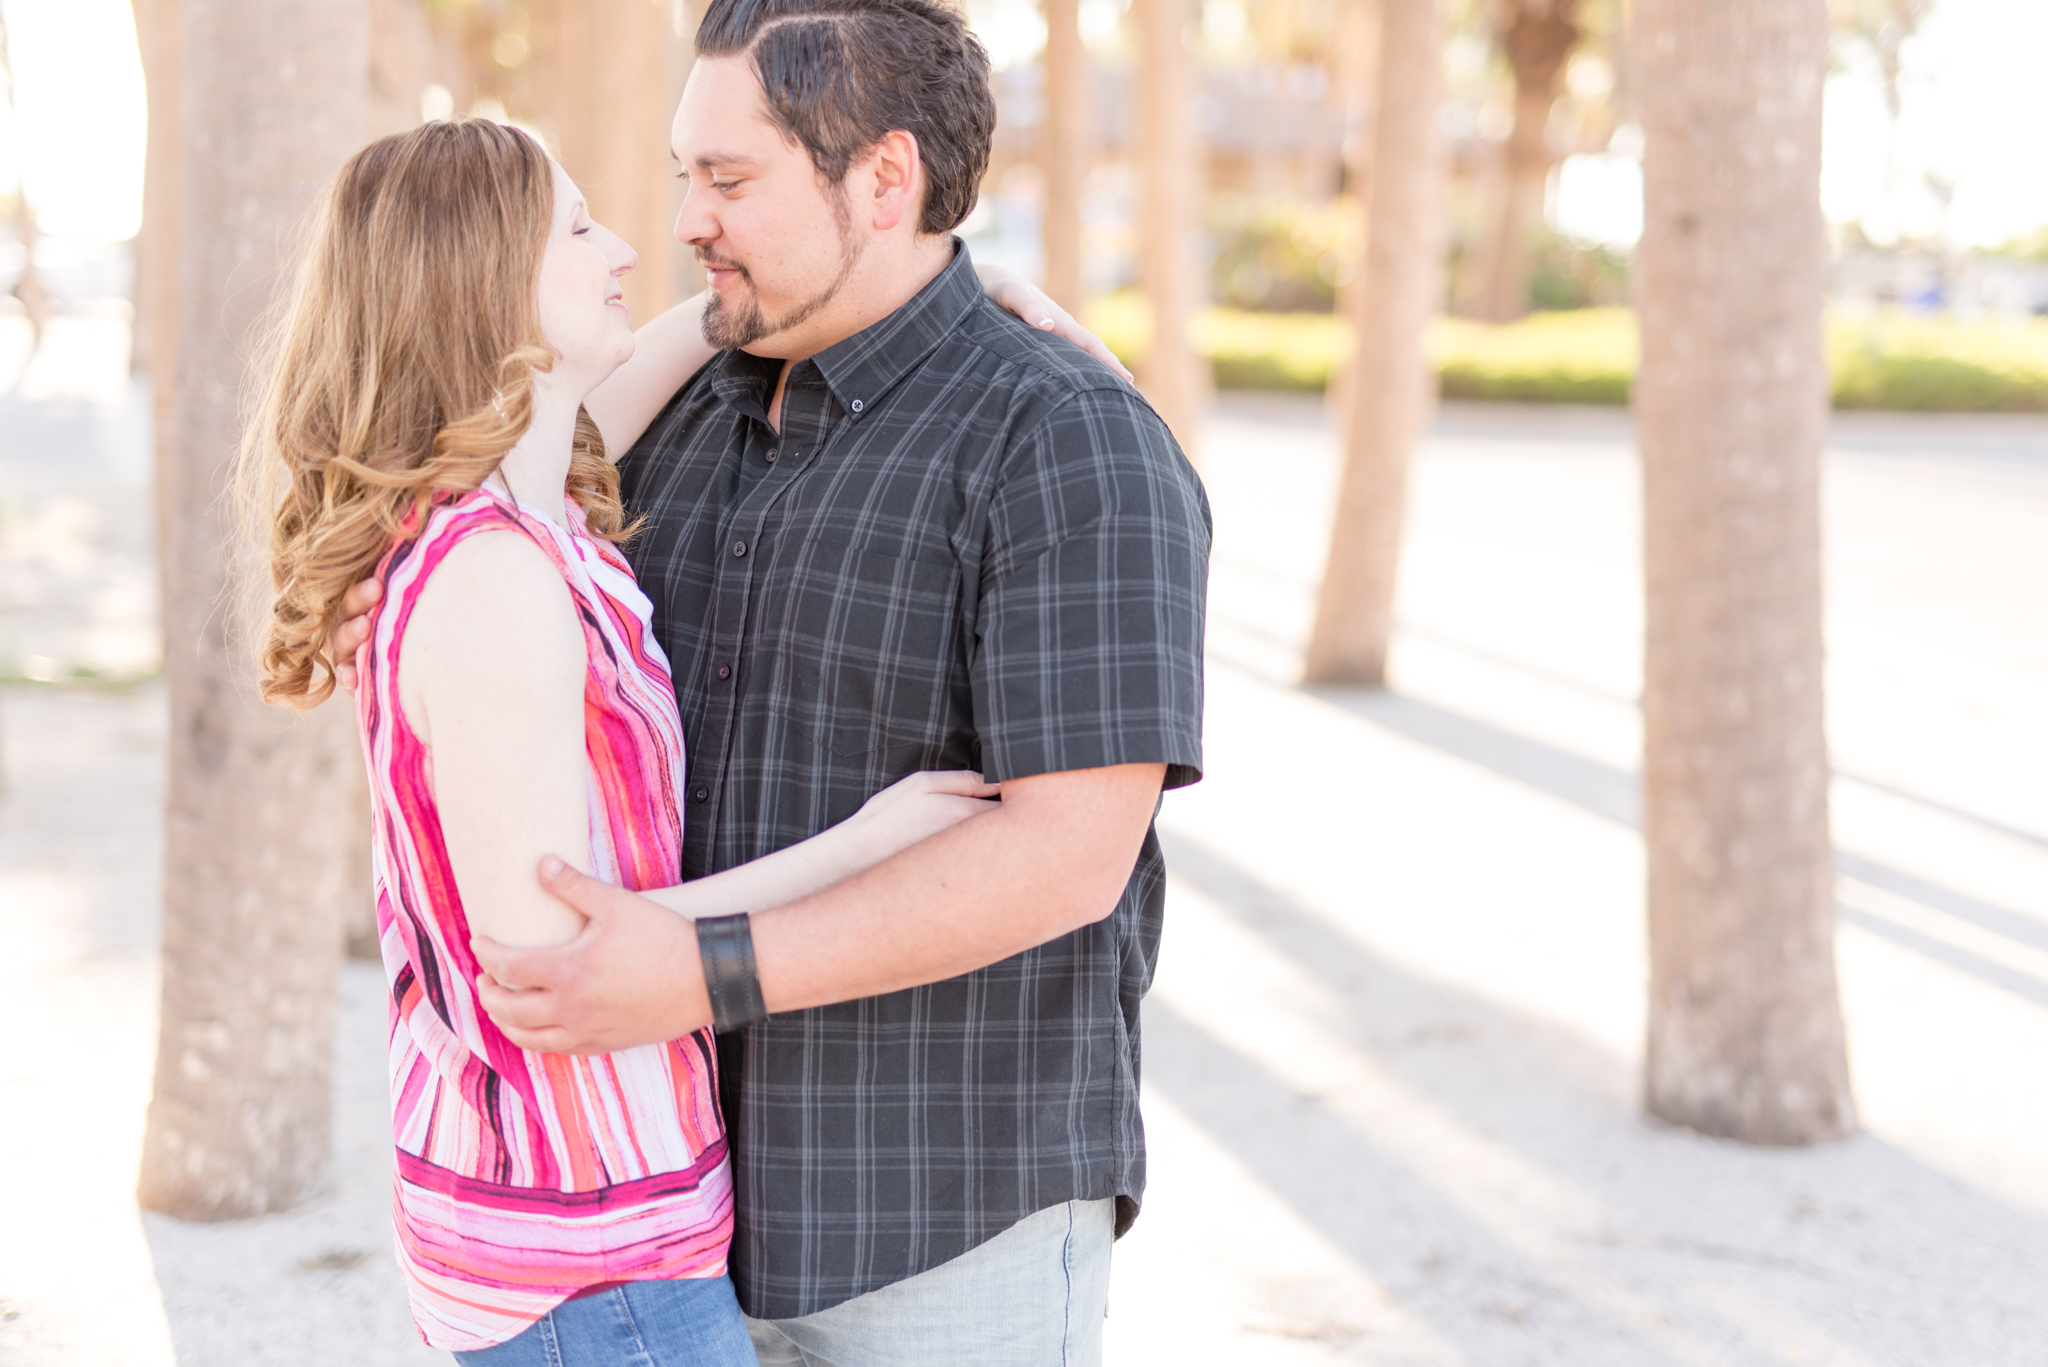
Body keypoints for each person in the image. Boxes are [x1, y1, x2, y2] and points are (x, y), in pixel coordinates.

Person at [330, 2, 1211, 1363]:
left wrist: (692, 969)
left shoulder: (1068, 440)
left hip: (934, 1224)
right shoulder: (658, 406)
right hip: (654, 1222)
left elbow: (1065, 857)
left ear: (884, 180)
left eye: (728, 182)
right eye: (687, 172)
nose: (683, 216)